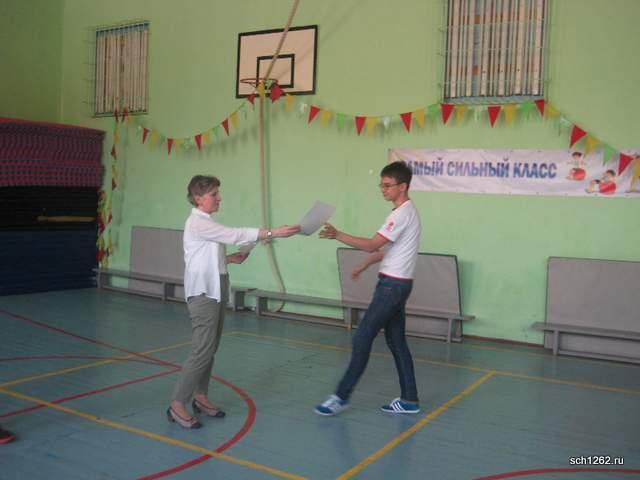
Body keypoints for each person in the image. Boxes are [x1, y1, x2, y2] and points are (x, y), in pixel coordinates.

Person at [168, 174, 300, 429]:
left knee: (210, 349)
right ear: (198, 198)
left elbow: (203, 255)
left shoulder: (207, 224)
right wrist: (272, 232)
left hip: (216, 289)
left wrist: (229, 259)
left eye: (218, 193)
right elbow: (233, 234)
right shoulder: (197, 222)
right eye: (214, 194)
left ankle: (200, 396)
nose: (219, 198)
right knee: (202, 350)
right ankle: (177, 404)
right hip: (203, 293)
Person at [315, 161, 421, 416]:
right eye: (381, 185)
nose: (383, 189)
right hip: (398, 284)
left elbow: (373, 244)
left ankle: (341, 396)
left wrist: (338, 235)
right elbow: (389, 250)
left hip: (392, 287)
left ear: (403, 186)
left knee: (362, 336)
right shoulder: (407, 213)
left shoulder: (401, 215)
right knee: (397, 342)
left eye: (388, 185)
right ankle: (409, 400)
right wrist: (364, 265)